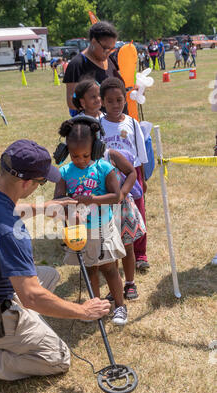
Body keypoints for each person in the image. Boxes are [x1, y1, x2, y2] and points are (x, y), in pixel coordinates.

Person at [0, 140, 111, 382]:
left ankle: (8, 333)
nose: (41, 186)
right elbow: (32, 296)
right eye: (41, 182)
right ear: (25, 183)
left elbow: (2, 209)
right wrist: (83, 311)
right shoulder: (9, 232)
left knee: (50, 276)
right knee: (57, 357)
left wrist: (44, 208)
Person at [54, 117, 129, 326]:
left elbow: (116, 196)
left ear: (96, 148)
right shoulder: (65, 172)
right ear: (66, 150)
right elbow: (57, 198)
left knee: (109, 268)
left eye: (86, 155)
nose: (80, 160)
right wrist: (67, 204)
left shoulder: (104, 167)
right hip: (81, 231)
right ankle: (95, 307)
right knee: (89, 270)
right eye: (75, 155)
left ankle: (120, 306)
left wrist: (93, 199)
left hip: (102, 228)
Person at [99, 77, 150, 272]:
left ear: (125, 99)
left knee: (138, 215)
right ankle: (114, 252)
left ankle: (140, 254)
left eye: (119, 100)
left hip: (132, 175)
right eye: (110, 101)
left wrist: (142, 178)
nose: (115, 105)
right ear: (103, 101)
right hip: (109, 176)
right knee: (113, 216)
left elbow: (140, 154)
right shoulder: (99, 125)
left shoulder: (132, 123)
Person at [103, 148, 146, 300]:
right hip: (102, 211)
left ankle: (130, 283)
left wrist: (122, 194)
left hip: (122, 208)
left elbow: (131, 172)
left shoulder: (111, 155)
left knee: (127, 248)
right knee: (110, 251)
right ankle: (115, 287)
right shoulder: (83, 159)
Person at [63, 21, 124, 117]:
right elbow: (71, 102)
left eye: (112, 49)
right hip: (95, 126)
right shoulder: (77, 64)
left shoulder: (110, 60)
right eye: (105, 48)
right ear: (94, 42)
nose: (108, 53)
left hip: (118, 123)